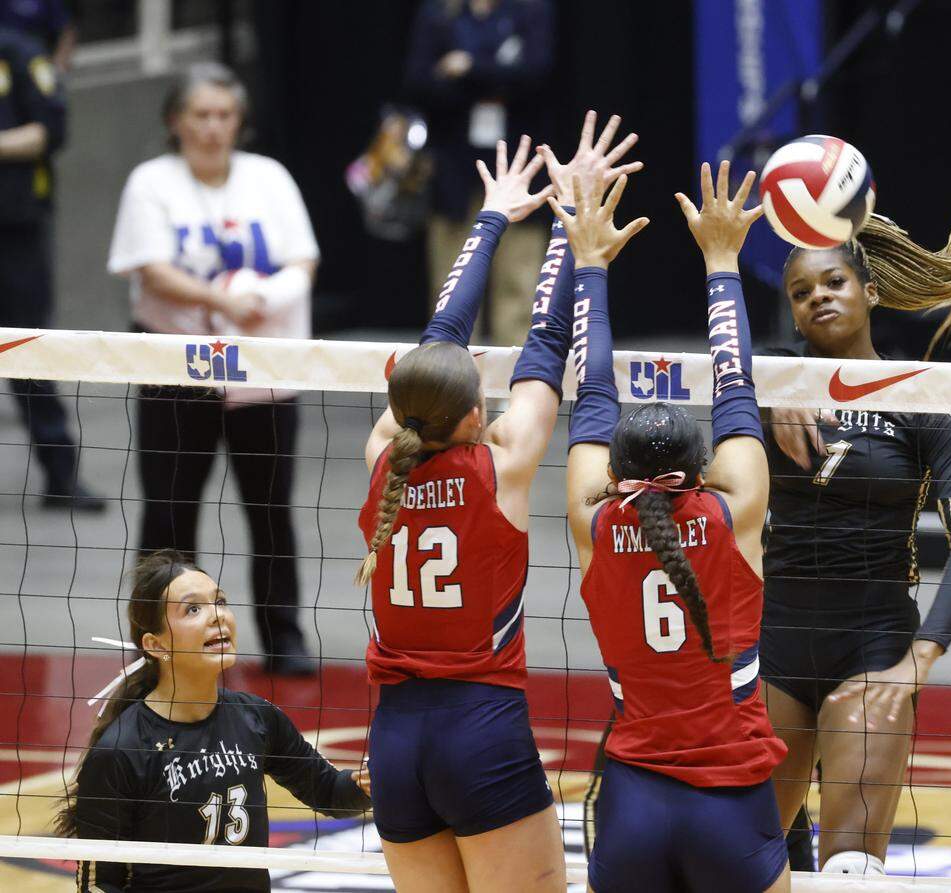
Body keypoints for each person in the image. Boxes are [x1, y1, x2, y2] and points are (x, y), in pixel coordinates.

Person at [357, 116, 639, 892]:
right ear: (475, 414)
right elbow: (548, 344)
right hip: (481, 731)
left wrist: (490, 218)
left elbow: (436, 345)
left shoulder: (384, 453)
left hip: (396, 740)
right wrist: (566, 222)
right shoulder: (501, 465)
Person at [759, 182, 951, 874]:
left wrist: (919, 657)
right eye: (802, 292)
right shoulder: (763, 387)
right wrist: (769, 382)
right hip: (775, 641)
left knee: (850, 871)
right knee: (747, 859)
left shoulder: (922, 399)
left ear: (869, 290)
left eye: (833, 281)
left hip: (873, 647)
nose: (818, 297)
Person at [561, 161, 790, 893]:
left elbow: (591, 394)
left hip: (632, 800)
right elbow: (736, 390)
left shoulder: (593, 522)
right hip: (732, 799)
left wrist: (590, 267)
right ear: (702, 470)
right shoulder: (735, 513)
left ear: (613, 472)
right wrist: (722, 262)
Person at [107, 62, 319, 675]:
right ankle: (159, 641)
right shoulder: (152, 181)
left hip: (261, 365)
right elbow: (150, 267)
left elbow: (301, 260)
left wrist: (263, 302)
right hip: (176, 364)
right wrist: (221, 300)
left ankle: (284, 636)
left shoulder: (268, 177)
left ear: (239, 121)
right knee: (169, 509)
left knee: (270, 508)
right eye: (200, 114)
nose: (213, 127)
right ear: (176, 121)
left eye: (224, 115)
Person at [58, 549, 372, 893]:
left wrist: (375, 780)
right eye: (193, 609)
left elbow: (331, 794)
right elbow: (99, 882)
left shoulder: (257, 717)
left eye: (220, 601)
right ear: (155, 644)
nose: (217, 617)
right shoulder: (123, 748)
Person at [405, 0, 555, 347]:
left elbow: (536, 74)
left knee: (519, 285)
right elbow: (419, 82)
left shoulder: (531, 10)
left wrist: (469, 68)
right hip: (453, 171)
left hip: (518, 167)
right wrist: (495, 78)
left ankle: (515, 393)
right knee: (452, 283)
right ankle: (450, 387)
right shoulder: (439, 13)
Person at [0, 20, 104, 510]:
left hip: (15, 229)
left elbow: (48, 132)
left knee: (26, 353)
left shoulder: (18, 53)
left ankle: (61, 475)